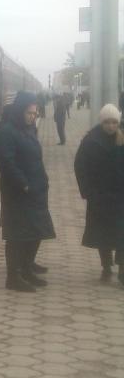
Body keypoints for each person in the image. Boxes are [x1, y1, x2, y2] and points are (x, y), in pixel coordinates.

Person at [0, 92, 55, 291]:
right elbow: (6, 163)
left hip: (36, 190)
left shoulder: (28, 129)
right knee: (16, 236)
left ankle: (27, 269)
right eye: (30, 113)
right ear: (20, 111)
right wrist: (24, 184)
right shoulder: (7, 132)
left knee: (36, 232)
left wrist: (42, 181)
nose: (33, 116)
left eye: (35, 112)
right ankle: (13, 277)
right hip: (18, 193)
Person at [74, 104, 124, 284]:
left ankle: (122, 270)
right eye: (107, 122)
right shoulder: (90, 141)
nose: (111, 126)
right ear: (101, 122)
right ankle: (106, 267)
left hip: (120, 197)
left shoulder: (122, 138)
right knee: (102, 235)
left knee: (121, 234)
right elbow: (80, 167)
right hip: (99, 196)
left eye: (114, 122)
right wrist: (87, 191)